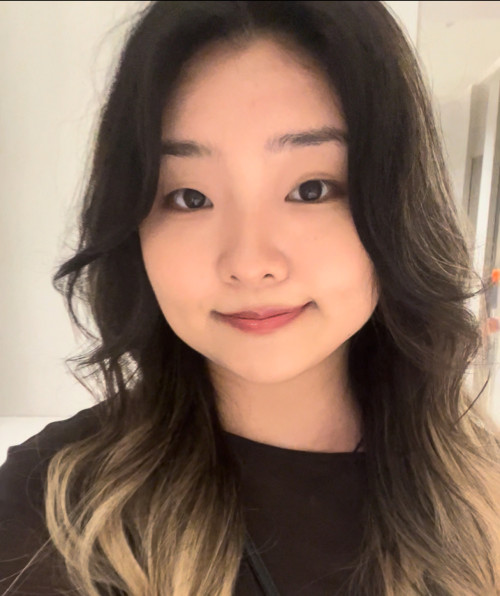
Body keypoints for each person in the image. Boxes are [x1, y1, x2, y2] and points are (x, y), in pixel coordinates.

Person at [1, 2, 499, 595]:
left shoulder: (483, 490)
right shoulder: (57, 513)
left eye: (310, 189)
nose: (249, 262)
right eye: (189, 198)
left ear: (397, 208)